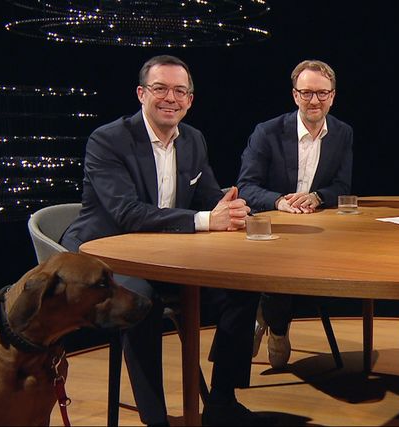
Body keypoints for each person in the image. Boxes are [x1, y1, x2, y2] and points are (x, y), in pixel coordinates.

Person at [61, 55, 266, 426]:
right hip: (107, 255)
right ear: (141, 94)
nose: (170, 98)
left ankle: (222, 401)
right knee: (141, 301)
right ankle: (154, 419)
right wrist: (205, 220)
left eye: (180, 91)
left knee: (243, 287)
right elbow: (126, 213)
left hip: (165, 255)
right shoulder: (108, 140)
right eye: (160, 88)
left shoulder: (193, 140)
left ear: (190, 100)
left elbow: (208, 198)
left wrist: (231, 210)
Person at [237, 59, 353, 368]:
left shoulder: (342, 133)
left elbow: (342, 185)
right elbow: (246, 186)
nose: (314, 100)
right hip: (272, 228)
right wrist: (279, 201)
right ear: (294, 95)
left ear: (332, 96)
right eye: (306, 93)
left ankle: (265, 319)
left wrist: (317, 197)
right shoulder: (267, 132)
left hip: (317, 230)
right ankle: (277, 328)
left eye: (322, 93)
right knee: (281, 263)